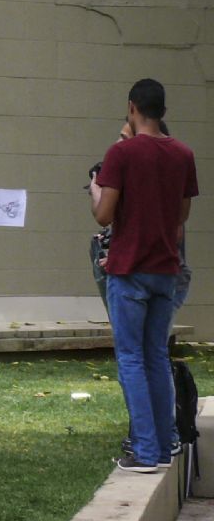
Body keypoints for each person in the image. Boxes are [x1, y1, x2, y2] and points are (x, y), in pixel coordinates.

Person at [90, 79, 197, 472]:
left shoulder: (122, 153)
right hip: (165, 269)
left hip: (129, 269)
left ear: (132, 108)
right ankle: (166, 442)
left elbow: (104, 215)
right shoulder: (183, 154)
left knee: (131, 359)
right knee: (155, 356)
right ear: (163, 111)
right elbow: (182, 215)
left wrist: (96, 190)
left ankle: (146, 451)